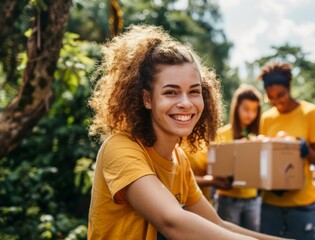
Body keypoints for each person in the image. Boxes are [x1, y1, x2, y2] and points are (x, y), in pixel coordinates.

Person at [87, 24, 287, 239]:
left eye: (194, 92)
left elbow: (219, 225)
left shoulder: (179, 160)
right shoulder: (120, 148)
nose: (185, 103)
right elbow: (172, 222)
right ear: (147, 99)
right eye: (171, 92)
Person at [257, 61, 315, 240]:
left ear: (290, 88)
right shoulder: (267, 118)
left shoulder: (310, 112)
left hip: (302, 204)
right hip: (271, 204)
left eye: (281, 95)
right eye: (271, 97)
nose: (277, 101)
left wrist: (305, 149)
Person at [215, 84, 263, 231]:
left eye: (254, 110)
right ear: (237, 108)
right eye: (246, 109)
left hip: (252, 198)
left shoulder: (258, 136)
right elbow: (216, 166)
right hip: (228, 198)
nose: (250, 114)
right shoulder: (222, 134)